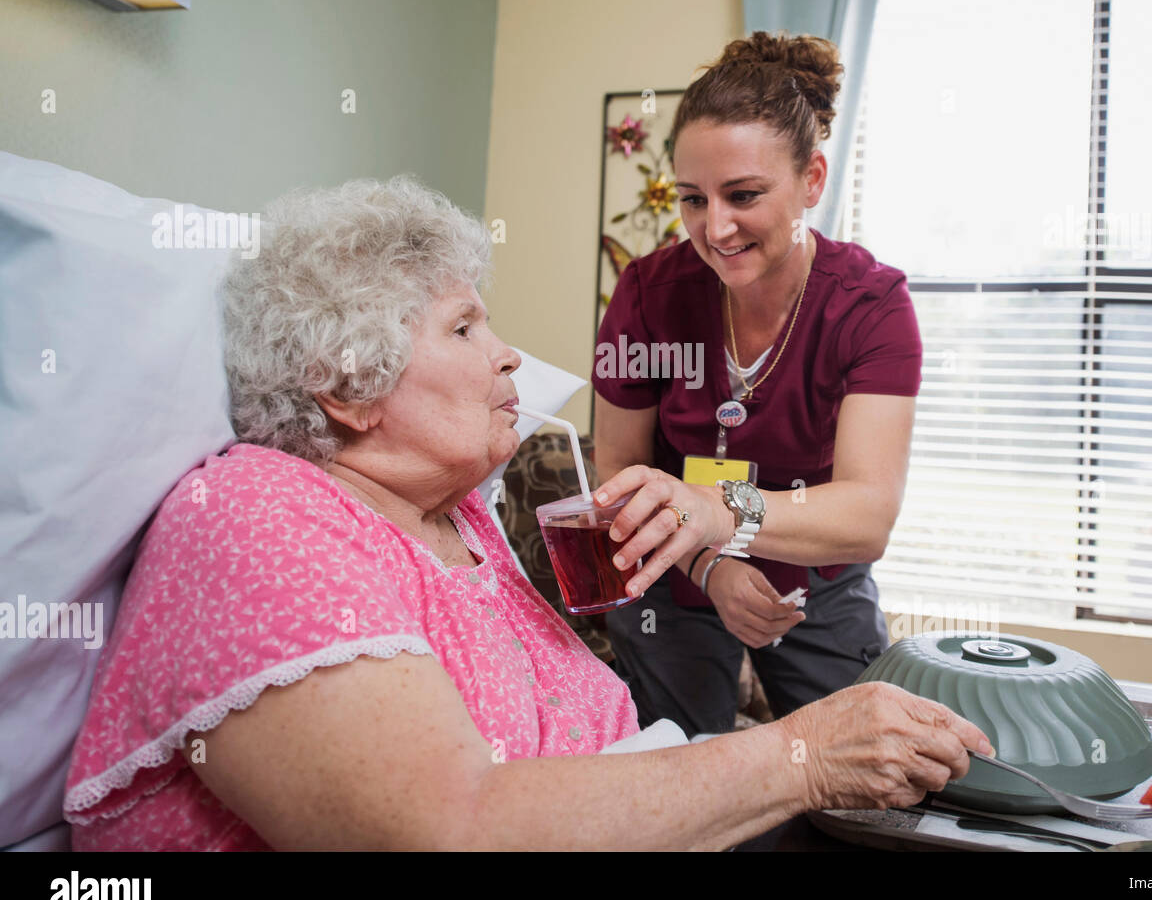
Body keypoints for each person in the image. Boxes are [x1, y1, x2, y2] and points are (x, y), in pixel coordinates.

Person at [62, 175, 988, 851]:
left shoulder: (459, 516)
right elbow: (443, 833)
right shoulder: (257, 520)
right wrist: (801, 757)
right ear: (344, 384)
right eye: (466, 329)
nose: (510, 357)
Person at [592, 31, 923, 737]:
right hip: (675, 571)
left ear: (812, 180)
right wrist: (711, 561)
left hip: (816, 584)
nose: (715, 229)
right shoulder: (649, 293)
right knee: (678, 776)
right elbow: (618, 466)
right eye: (692, 199)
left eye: (744, 195)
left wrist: (720, 511)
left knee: (865, 772)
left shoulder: (871, 305)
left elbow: (868, 516)